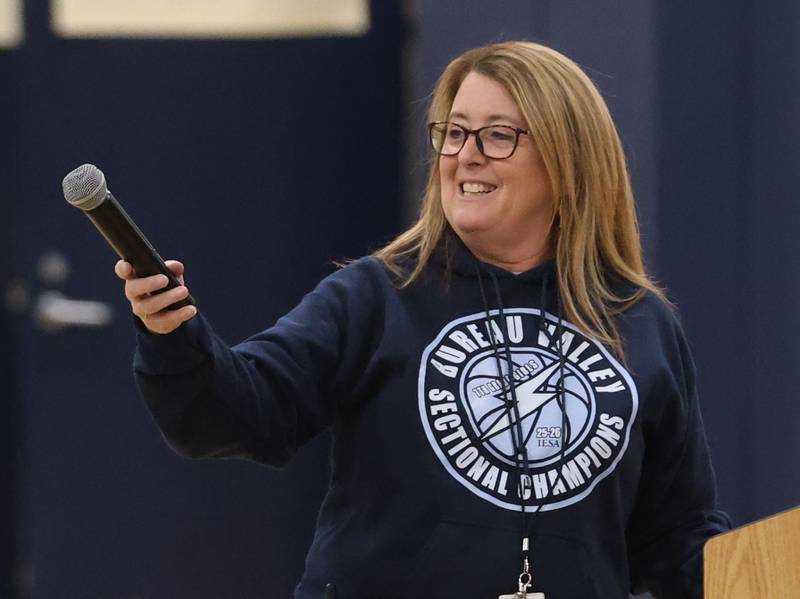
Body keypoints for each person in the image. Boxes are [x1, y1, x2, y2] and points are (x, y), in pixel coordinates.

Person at [115, 41, 730, 598]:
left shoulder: (638, 322)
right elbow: (236, 415)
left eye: (497, 136)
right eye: (454, 133)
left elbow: (677, 535)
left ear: (568, 163)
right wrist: (173, 336)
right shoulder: (377, 296)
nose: (465, 157)